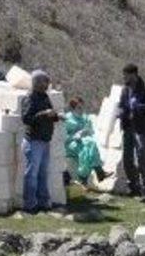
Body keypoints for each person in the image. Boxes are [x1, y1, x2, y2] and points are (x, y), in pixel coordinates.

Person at [20, 70, 60, 213]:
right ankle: (30, 204)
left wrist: (55, 116)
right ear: (37, 82)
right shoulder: (29, 98)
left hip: (44, 140)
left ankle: (43, 202)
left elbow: (50, 115)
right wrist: (44, 114)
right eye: (45, 82)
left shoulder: (45, 97)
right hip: (33, 141)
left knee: (43, 173)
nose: (47, 84)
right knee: (32, 174)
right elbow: (26, 119)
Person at [118, 63, 145, 198]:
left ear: (133, 75)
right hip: (128, 127)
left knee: (141, 158)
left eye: (126, 75)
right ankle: (134, 187)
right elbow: (122, 105)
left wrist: (138, 107)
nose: (124, 78)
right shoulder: (125, 90)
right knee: (127, 160)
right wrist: (121, 112)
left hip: (140, 128)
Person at [62, 96, 108, 185]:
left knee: (88, 147)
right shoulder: (67, 118)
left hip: (84, 142)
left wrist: (85, 132)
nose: (81, 110)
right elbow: (63, 137)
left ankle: (84, 177)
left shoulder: (85, 117)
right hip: (71, 144)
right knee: (89, 145)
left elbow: (91, 131)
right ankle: (97, 171)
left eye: (82, 107)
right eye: (79, 108)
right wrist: (74, 136)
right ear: (73, 108)